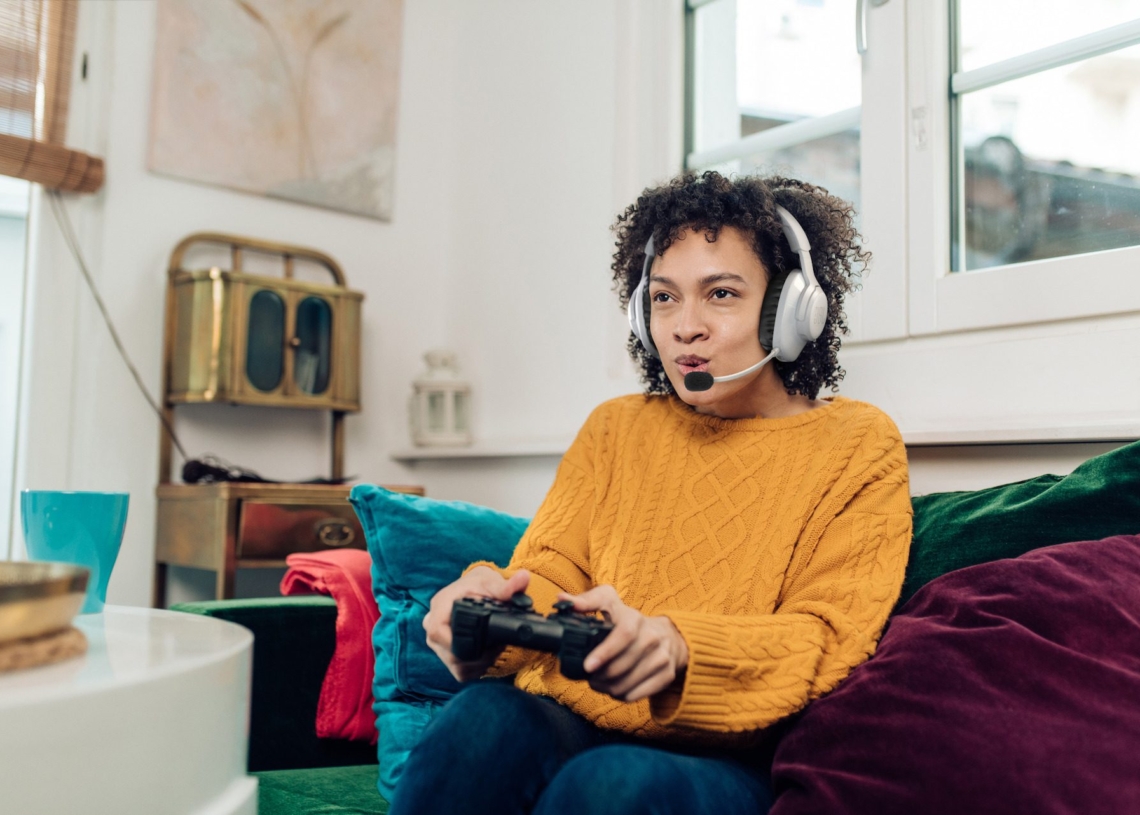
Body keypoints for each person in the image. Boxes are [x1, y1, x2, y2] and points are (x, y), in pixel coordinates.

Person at [389, 171, 913, 815]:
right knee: (482, 717)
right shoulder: (616, 428)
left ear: (792, 310)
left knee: (613, 785)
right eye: (664, 298)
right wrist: (489, 608)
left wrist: (679, 648)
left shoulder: (859, 444)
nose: (684, 328)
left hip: (728, 753)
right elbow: (552, 568)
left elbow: (829, 637)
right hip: (572, 715)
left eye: (720, 294)